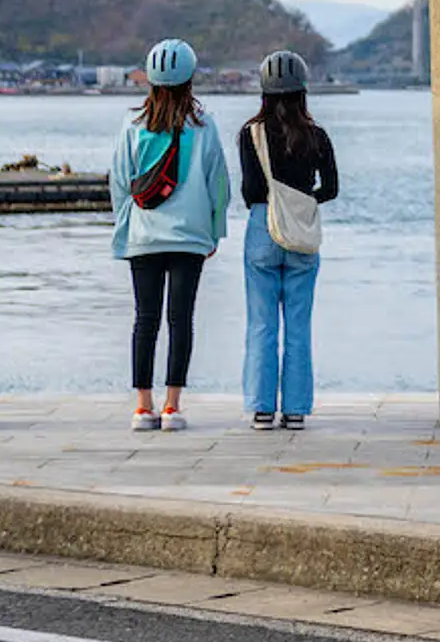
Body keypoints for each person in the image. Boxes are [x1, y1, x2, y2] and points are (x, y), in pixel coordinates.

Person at [109, 37, 230, 432]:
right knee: (181, 320)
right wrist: (213, 234)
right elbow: (219, 186)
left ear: (151, 80)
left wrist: (127, 228)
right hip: (190, 239)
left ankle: (142, 407)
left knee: (145, 320)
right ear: (190, 80)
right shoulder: (204, 126)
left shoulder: (132, 125)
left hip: (143, 237)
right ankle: (172, 406)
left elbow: (120, 185)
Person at [238, 49, 338, 431]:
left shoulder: (251, 134)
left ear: (264, 91)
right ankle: (294, 410)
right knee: (298, 325)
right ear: (303, 90)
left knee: (262, 325)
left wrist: (269, 204)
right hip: (302, 235)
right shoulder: (317, 135)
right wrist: (302, 201)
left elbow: (249, 189)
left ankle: (262, 409)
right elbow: (331, 188)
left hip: (263, 228)